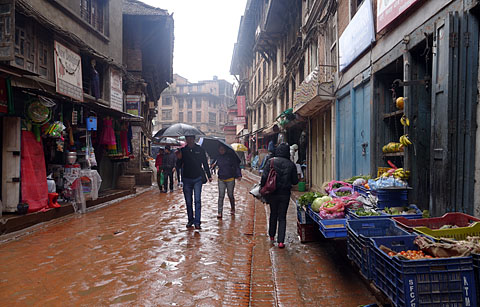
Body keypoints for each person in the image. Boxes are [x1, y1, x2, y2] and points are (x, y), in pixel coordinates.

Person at [260, 143, 299, 248]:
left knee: (273, 213)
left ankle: (272, 236)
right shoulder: (291, 165)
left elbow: (264, 177)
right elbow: (295, 181)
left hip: (272, 193)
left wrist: (261, 187)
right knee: (282, 217)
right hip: (285, 194)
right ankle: (281, 241)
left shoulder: (270, 161)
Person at [178, 135, 212, 229]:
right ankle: (190, 220)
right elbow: (179, 166)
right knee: (188, 201)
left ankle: (197, 222)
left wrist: (209, 176)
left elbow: (205, 163)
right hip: (186, 178)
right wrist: (179, 158)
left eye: (191, 138)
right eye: (187, 139)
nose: (189, 140)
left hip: (197, 178)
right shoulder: (183, 151)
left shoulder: (200, 150)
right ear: (186, 140)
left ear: (194, 139)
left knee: (197, 200)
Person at [211, 145, 242, 219]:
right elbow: (213, 165)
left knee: (230, 195)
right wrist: (213, 166)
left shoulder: (231, 157)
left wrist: (239, 175)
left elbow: (236, 166)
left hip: (230, 179)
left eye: (222, 149)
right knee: (221, 196)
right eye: (220, 149)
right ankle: (219, 212)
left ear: (225, 150)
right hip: (221, 179)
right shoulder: (218, 157)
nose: (221, 151)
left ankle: (232, 207)